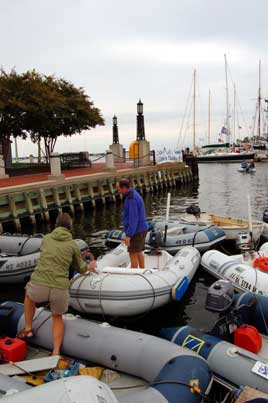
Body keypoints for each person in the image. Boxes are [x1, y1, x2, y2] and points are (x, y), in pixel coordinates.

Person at [18, 213, 96, 355]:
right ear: (70, 227)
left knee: (29, 297)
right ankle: (56, 351)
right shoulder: (73, 245)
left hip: (39, 283)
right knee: (57, 317)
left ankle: (28, 329)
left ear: (56, 225)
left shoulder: (46, 239)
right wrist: (90, 266)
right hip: (59, 288)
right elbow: (81, 268)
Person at [116, 178, 148, 268]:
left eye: (119, 188)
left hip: (136, 231)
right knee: (138, 252)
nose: (117, 190)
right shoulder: (133, 194)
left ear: (124, 188)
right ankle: (142, 269)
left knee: (132, 253)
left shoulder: (131, 199)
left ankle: (134, 273)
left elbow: (133, 219)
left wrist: (129, 235)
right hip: (141, 228)